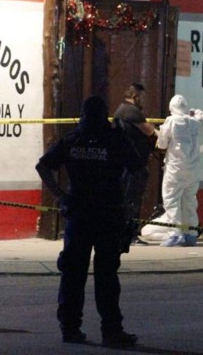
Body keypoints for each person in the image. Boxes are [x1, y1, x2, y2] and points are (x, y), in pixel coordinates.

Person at [35, 96, 141, 347]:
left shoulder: (73, 140)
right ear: (104, 114)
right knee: (106, 276)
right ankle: (111, 331)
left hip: (78, 216)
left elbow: (43, 166)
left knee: (73, 275)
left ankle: (70, 328)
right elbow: (138, 170)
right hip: (107, 216)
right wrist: (128, 203)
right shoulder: (114, 139)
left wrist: (61, 197)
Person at [142, 94, 203, 247]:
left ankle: (175, 233)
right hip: (193, 171)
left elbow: (162, 145)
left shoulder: (171, 121)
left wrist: (160, 134)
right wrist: (197, 112)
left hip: (175, 170)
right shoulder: (194, 122)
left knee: (171, 201)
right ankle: (191, 234)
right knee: (189, 201)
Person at [113, 83, 156, 246]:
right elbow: (149, 131)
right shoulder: (132, 112)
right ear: (136, 96)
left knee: (126, 199)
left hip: (125, 163)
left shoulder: (121, 110)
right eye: (142, 97)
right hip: (134, 164)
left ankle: (123, 232)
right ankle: (129, 234)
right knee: (132, 200)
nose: (144, 101)